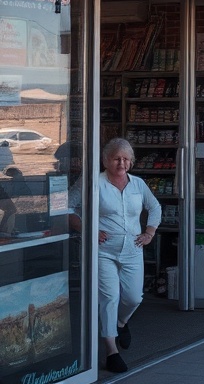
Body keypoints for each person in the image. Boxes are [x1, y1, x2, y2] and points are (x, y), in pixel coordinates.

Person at [68, 138, 161, 373]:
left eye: (126, 159)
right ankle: (111, 351)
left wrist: (149, 231)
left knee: (133, 297)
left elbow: (155, 207)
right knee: (109, 297)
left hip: (133, 250)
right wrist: (86, 228)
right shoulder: (92, 181)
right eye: (117, 158)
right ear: (105, 160)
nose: (122, 163)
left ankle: (121, 323)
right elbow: (67, 205)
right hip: (103, 251)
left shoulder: (138, 184)